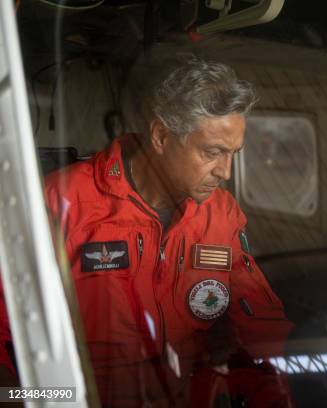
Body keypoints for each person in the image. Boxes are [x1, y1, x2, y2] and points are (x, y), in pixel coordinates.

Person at [0, 57, 294, 407]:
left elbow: (261, 321)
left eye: (233, 154)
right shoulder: (62, 203)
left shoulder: (221, 212)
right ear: (161, 136)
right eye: (213, 153)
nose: (225, 172)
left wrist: (289, 386)